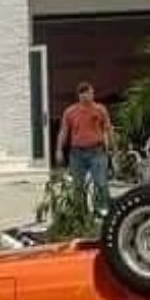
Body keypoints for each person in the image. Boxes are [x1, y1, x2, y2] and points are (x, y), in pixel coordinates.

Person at [56, 81, 114, 210]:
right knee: (78, 185)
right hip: (77, 153)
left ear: (92, 94)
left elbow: (108, 128)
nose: (87, 96)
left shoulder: (100, 109)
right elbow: (64, 131)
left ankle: (103, 210)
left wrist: (113, 147)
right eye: (83, 94)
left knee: (100, 183)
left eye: (89, 93)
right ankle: (80, 213)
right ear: (79, 96)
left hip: (97, 151)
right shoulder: (70, 112)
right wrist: (59, 149)